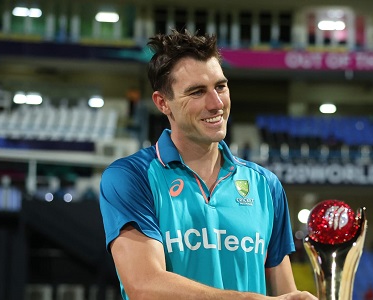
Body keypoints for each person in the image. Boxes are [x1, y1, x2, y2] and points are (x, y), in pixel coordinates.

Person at [98, 30, 316, 300]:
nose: (216, 104)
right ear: (163, 103)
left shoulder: (265, 185)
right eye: (197, 92)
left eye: (220, 86)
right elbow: (144, 285)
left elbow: (284, 293)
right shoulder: (131, 177)